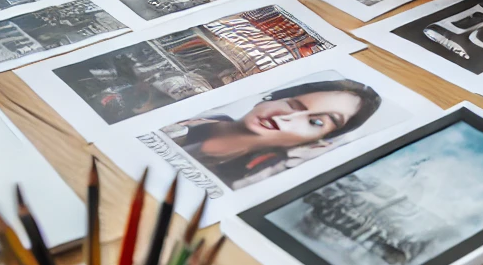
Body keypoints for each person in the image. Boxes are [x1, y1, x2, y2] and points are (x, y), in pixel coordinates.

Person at [163, 79, 380, 189]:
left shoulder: (254, 179)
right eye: (292, 104)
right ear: (270, 98)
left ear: (317, 142)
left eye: (315, 122)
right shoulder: (182, 117)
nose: (285, 118)